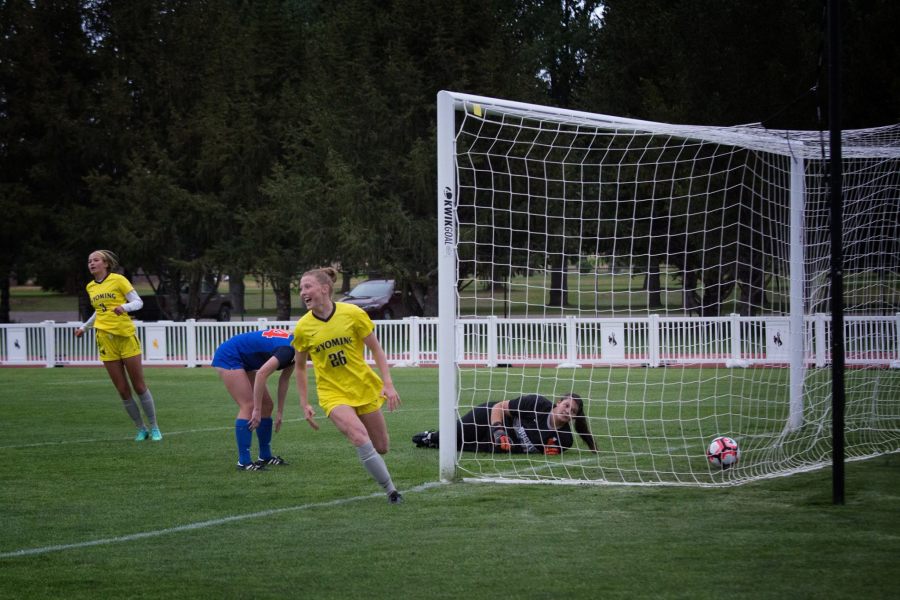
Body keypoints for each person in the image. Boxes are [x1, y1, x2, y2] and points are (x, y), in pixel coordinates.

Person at [291, 267, 403, 504]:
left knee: (381, 446)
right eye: (301, 288)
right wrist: (305, 403)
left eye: (307, 286)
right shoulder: (303, 327)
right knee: (358, 436)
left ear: (325, 288)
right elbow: (299, 367)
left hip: (363, 387)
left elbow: (376, 349)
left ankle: (374, 461)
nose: (303, 292)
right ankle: (391, 491)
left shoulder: (352, 313)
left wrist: (388, 384)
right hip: (332, 394)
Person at [74, 250, 162, 441]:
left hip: (125, 336)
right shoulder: (90, 287)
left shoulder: (119, 279)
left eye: (96, 260)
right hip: (105, 339)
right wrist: (84, 327)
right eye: (89, 261)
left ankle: (154, 427)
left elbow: (137, 302)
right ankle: (141, 428)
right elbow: (100, 312)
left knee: (138, 385)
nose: (91, 263)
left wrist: (124, 307)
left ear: (106, 264)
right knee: (122, 389)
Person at [212, 329, 296, 471]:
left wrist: (280, 412)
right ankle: (243, 462)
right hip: (230, 355)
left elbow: (284, 380)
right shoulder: (288, 350)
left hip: (245, 359)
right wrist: (256, 410)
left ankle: (265, 456)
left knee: (267, 405)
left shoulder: (295, 348)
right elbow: (261, 374)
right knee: (249, 406)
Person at [412, 393, 596, 454]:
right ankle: (431, 436)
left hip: (503, 445)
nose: (567, 411)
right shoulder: (537, 403)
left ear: (574, 418)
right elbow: (499, 406)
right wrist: (498, 430)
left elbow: (546, 452)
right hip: (489, 419)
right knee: (454, 435)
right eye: (566, 406)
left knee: (457, 448)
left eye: (572, 411)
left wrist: (549, 453)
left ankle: (436, 442)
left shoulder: (564, 439)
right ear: (558, 403)